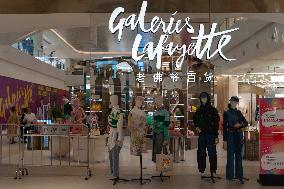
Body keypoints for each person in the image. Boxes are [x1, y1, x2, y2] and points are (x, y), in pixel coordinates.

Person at [193, 92, 220, 175]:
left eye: (204, 97)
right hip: (202, 134)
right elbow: (195, 119)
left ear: (207, 98)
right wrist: (196, 127)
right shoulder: (199, 110)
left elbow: (216, 123)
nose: (203, 99)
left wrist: (216, 136)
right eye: (202, 98)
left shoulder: (213, 110)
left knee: (212, 152)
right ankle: (201, 168)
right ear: (200, 99)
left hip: (211, 134)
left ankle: (213, 169)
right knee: (201, 152)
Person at [223, 96, 248, 180]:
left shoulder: (239, 112)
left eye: (234, 101)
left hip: (238, 135)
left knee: (238, 156)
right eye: (231, 101)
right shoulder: (226, 113)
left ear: (237, 103)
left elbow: (246, 123)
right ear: (230, 102)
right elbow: (224, 127)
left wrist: (240, 125)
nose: (233, 103)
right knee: (230, 156)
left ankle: (239, 175)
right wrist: (224, 140)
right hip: (230, 135)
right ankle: (230, 176)